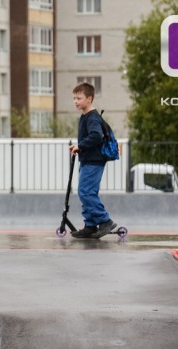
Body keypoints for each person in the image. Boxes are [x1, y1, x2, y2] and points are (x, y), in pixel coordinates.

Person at [68, 82, 117, 239]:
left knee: (85, 192)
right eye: (74, 98)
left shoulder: (92, 117)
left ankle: (105, 221)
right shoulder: (85, 116)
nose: (76, 101)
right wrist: (80, 148)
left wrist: (80, 146)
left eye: (79, 98)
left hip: (94, 161)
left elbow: (97, 136)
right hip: (88, 160)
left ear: (89, 99)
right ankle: (90, 225)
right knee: (87, 192)